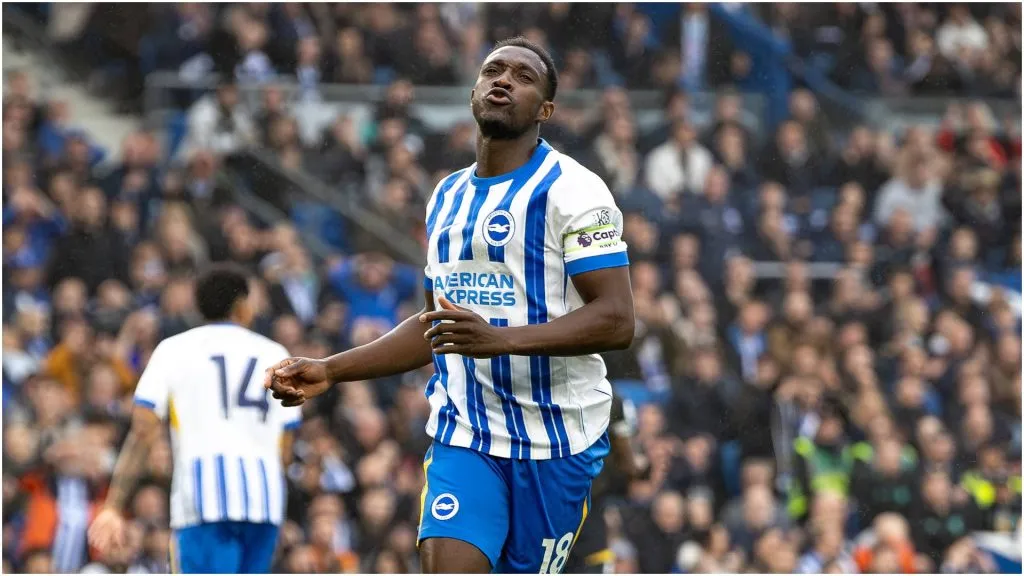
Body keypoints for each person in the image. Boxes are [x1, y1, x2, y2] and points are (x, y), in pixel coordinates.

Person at [265, 36, 635, 574]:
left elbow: (618, 319)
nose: (504, 80)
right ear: (474, 91)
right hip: (467, 435)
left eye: (524, 77)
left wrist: (500, 339)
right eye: (493, 70)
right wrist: (331, 369)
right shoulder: (447, 196)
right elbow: (434, 326)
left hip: (557, 443)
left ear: (546, 110)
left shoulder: (575, 191)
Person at [88, 264, 301, 573]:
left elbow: (143, 431)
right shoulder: (275, 353)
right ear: (242, 305)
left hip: (204, 498)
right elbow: (285, 448)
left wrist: (114, 504)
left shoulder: (175, 350)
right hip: (263, 502)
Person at [565, 395, 647, 573]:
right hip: (585, 498)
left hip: (563, 496)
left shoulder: (610, 398)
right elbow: (630, 463)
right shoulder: (609, 397)